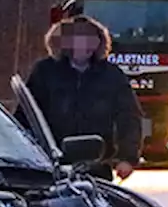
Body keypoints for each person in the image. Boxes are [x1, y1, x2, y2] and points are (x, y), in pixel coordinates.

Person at [17, 15, 142, 181]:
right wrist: (22, 153)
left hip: (98, 166)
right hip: (52, 164)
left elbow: (129, 117)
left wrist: (127, 158)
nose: (83, 47)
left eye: (90, 40)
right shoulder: (45, 72)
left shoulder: (112, 75)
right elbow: (25, 116)